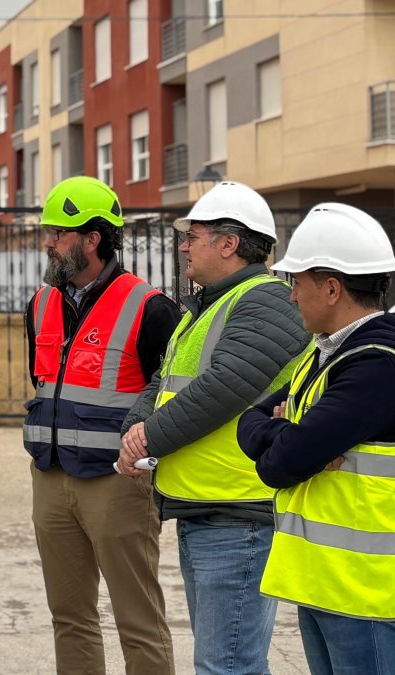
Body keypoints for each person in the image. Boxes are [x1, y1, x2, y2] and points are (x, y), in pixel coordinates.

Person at [118, 181, 310, 675]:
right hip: (206, 508)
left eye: (194, 236)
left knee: (227, 666)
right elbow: (164, 379)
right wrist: (133, 428)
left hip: (238, 515)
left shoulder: (264, 301)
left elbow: (225, 388)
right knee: (225, 663)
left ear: (229, 244)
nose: (184, 245)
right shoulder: (206, 306)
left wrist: (147, 438)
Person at [23, 176, 180, 675]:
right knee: (69, 616)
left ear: (92, 239)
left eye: (58, 233)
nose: (48, 242)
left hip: (118, 483)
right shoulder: (40, 303)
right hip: (50, 478)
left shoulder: (150, 306)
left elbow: (171, 395)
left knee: (138, 620)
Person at [237, 203, 395, 675]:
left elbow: (278, 465)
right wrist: (286, 432)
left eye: (295, 284)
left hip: (364, 595)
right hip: (324, 584)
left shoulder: (375, 365)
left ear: (331, 288)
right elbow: (252, 421)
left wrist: (287, 440)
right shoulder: (328, 354)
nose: (289, 298)